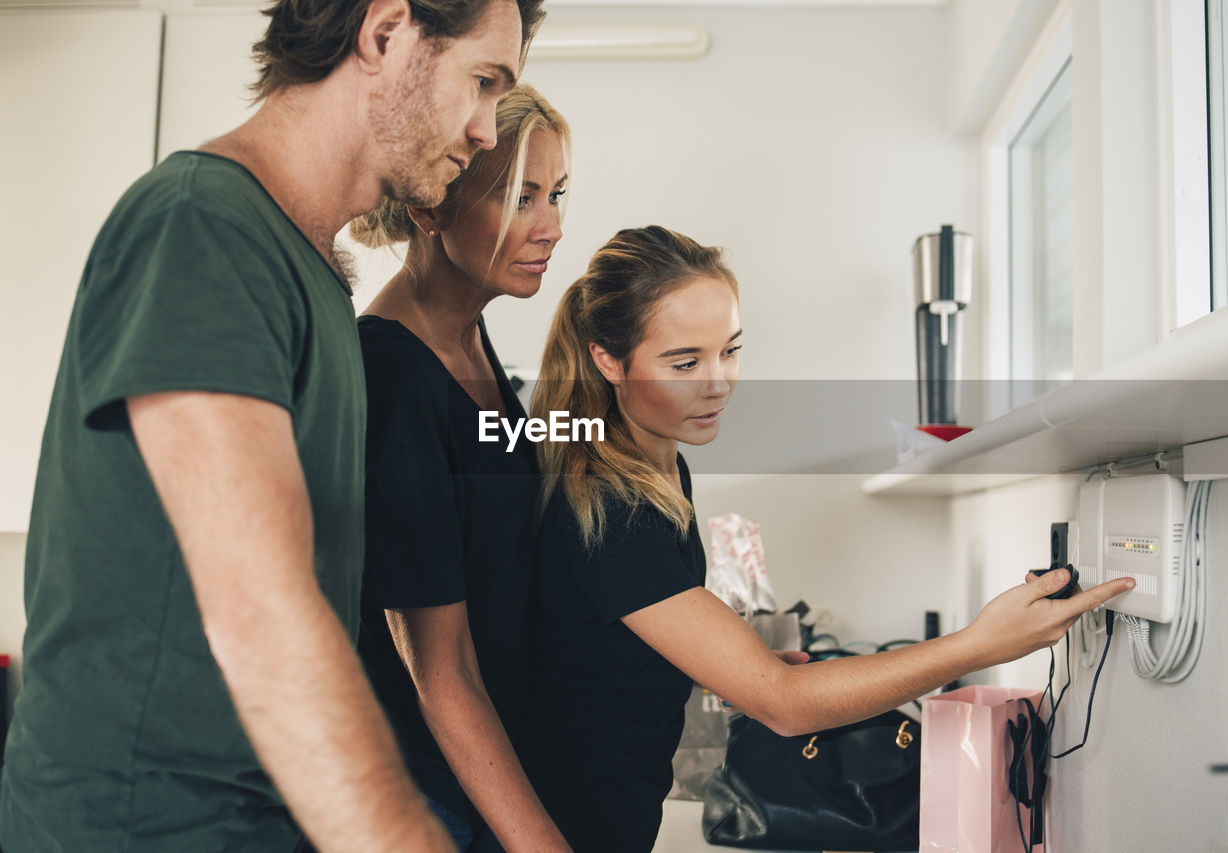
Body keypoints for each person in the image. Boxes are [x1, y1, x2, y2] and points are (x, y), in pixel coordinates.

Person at [0, 1, 545, 851]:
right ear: (385, 31)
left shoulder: (318, 275)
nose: (485, 131)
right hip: (144, 828)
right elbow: (261, 610)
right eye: (482, 82)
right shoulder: (203, 225)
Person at [518, 225, 1137, 852]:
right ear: (608, 361)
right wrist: (979, 645)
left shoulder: (660, 468)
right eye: (685, 363)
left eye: (730, 350)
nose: (719, 382)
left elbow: (592, 642)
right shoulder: (608, 504)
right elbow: (785, 705)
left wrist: (720, 666)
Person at [348, 83, 571, 852]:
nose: (550, 227)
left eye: (556, 194)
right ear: (429, 205)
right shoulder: (392, 374)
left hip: (479, 780)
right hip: (421, 802)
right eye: (520, 197)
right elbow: (437, 670)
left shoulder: (472, 344)